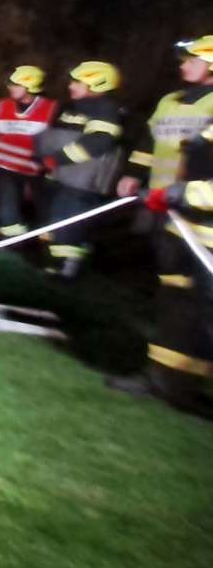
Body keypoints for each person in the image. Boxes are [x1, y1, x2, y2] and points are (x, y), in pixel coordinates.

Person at [109, 36, 213, 412]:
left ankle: (186, 384)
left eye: (192, 59)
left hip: (199, 218)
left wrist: (183, 193)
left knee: (205, 309)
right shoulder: (171, 101)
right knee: (175, 300)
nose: (183, 65)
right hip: (174, 215)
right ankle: (167, 380)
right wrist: (135, 173)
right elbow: (150, 143)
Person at [33, 61, 125, 279]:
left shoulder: (106, 109)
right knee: (54, 223)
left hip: (84, 182)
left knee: (69, 225)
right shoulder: (72, 108)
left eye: (77, 82)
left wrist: (56, 159)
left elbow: (98, 142)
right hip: (62, 176)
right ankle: (51, 264)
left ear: (97, 84)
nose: (71, 86)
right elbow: (54, 136)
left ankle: (66, 271)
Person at [0, 65, 57, 239]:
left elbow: (59, 139)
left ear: (31, 86)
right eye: (10, 84)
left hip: (36, 169)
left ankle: (48, 242)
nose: (10, 87)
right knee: (8, 208)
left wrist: (50, 165)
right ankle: (12, 238)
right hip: (4, 166)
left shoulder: (51, 109)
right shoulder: (0, 106)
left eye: (16, 84)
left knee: (43, 207)